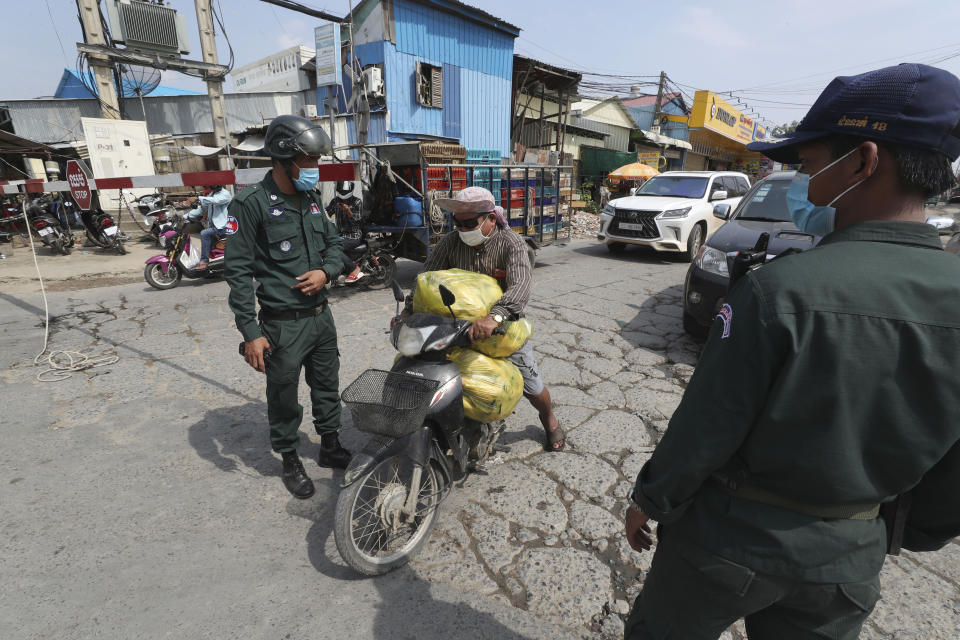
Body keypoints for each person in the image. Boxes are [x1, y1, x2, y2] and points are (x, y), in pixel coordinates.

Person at [622, 63, 960, 639]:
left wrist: (651, 497)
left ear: (863, 161)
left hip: (728, 540)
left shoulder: (781, 288)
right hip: (849, 557)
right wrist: (893, 533)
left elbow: (709, 421)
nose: (801, 177)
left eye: (808, 162)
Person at [224, 114, 350, 500]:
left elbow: (335, 246)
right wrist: (251, 334)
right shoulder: (249, 204)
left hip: (320, 318)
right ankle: (290, 458)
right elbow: (238, 272)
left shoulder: (311, 199)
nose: (315, 169)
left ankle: (329, 445)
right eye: (308, 161)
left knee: (327, 386)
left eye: (316, 161)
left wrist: (326, 274)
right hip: (282, 324)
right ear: (282, 159)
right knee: (283, 395)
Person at [402, 186, 565, 451]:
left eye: (471, 223)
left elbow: (520, 286)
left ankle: (548, 418)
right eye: (459, 224)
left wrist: (495, 317)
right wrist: (408, 311)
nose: (464, 229)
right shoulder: (451, 242)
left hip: (502, 329)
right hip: (455, 326)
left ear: (491, 218)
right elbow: (427, 279)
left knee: (532, 386)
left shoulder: (511, 243)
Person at [326, 180, 366, 283]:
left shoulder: (357, 202)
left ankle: (354, 269)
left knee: (335, 248)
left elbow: (358, 220)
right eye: (341, 192)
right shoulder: (335, 201)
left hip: (354, 235)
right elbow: (327, 213)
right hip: (340, 234)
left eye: (345, 192)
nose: (343, 195)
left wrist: (348, 211)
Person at [184, 185, 233, 270]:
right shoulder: (211, 194)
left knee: (205, 233)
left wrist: (198, 198)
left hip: (224, 226)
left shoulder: (225, 194)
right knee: (205, 232)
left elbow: (216, 201)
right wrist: (185, 216)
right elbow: (202, 209)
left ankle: (204, 261)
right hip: (215, 227)